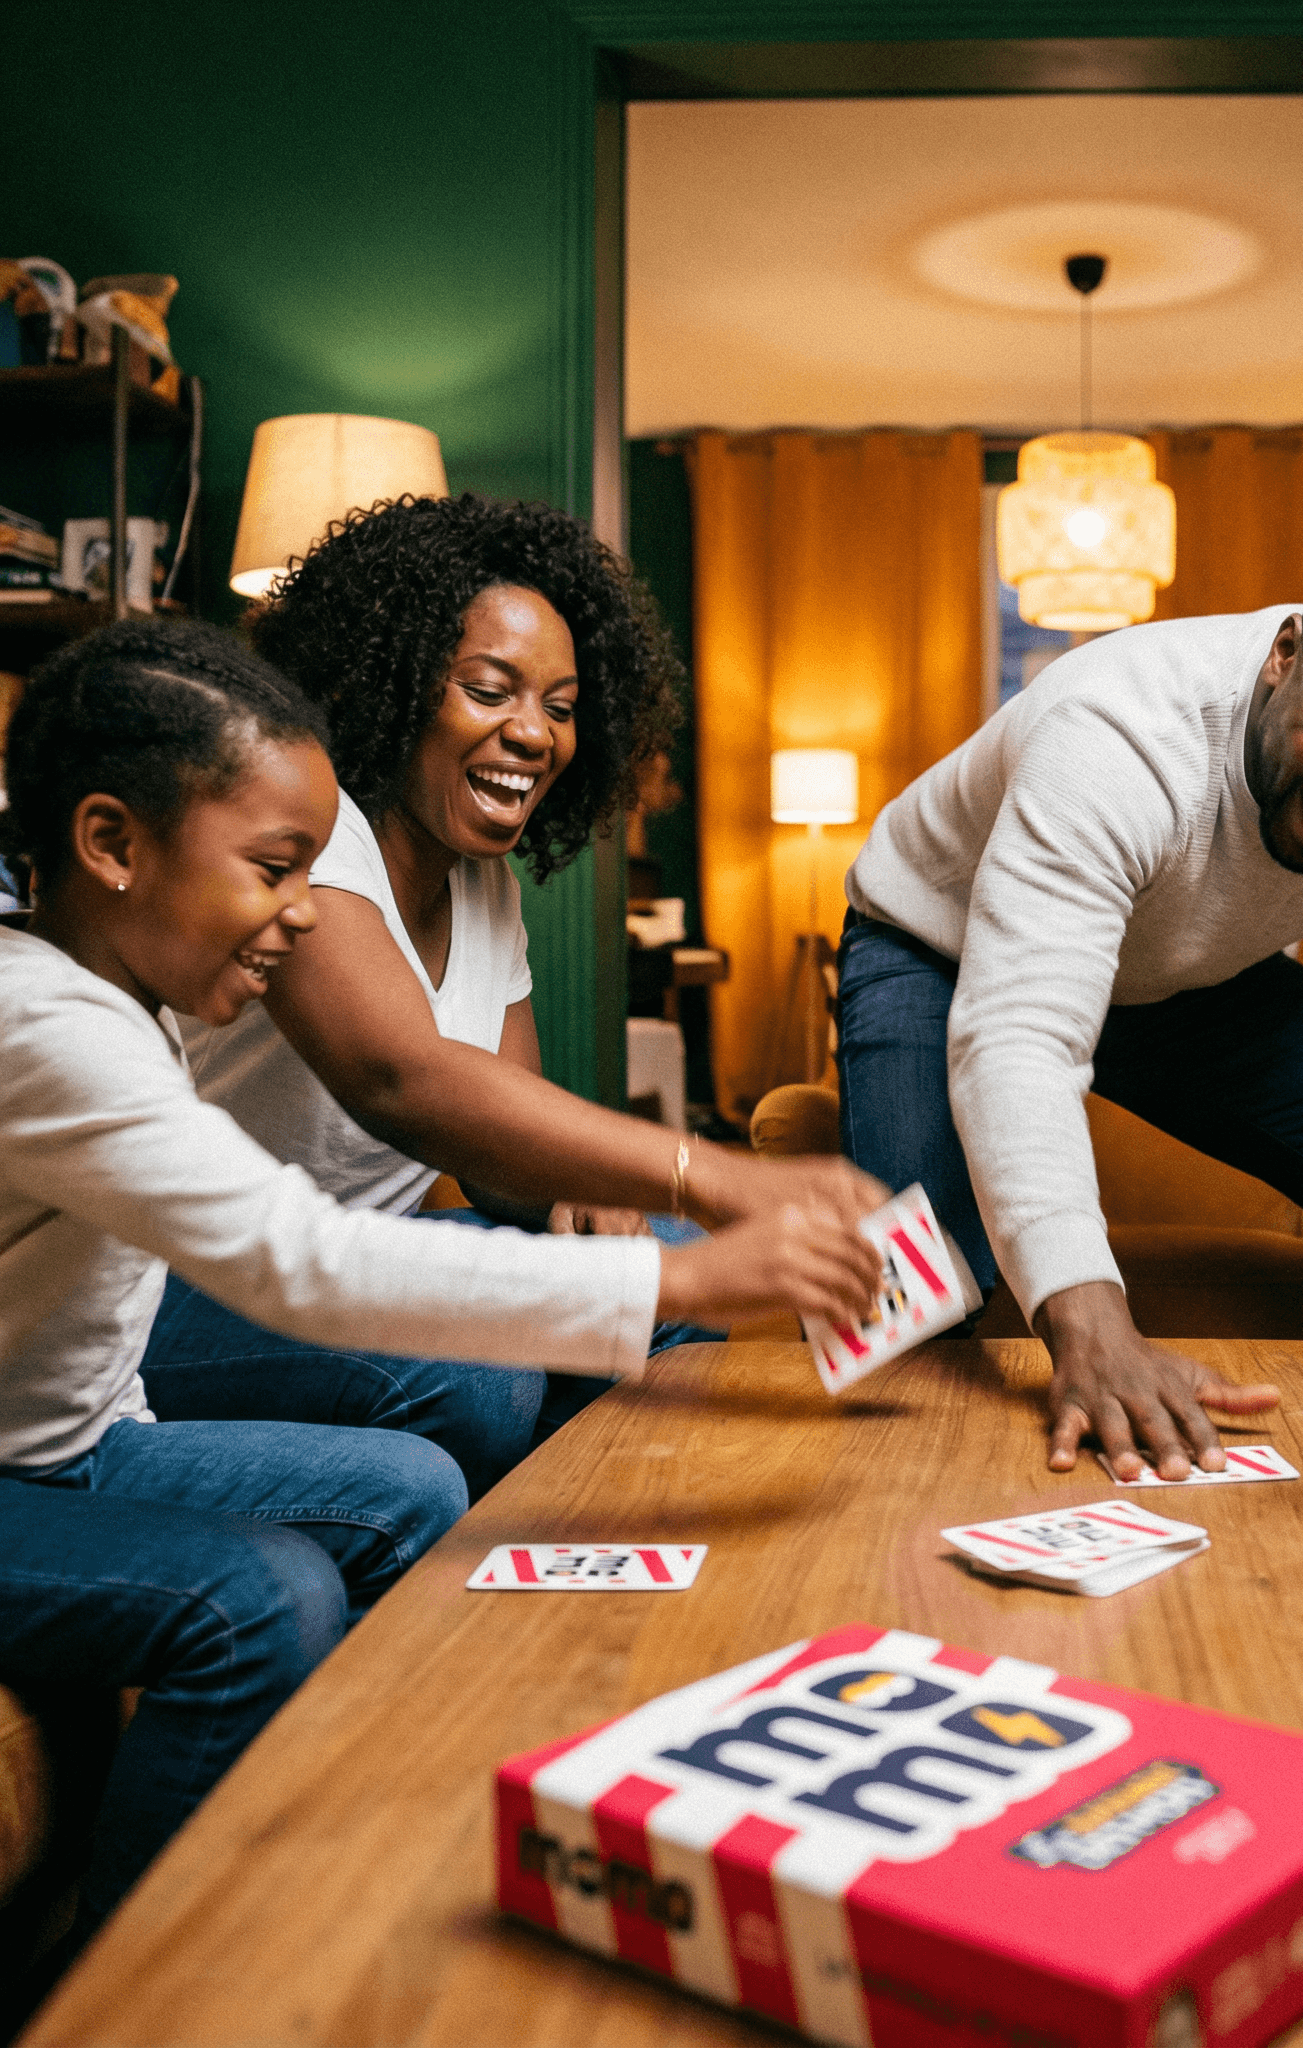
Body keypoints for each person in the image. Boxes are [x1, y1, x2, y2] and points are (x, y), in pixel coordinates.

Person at [0, 617, 882, 1953]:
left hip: (75, 1445)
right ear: (113, 847)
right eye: (275, 867)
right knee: (257, 1600)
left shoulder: (130, 993)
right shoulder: (42, 1025)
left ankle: (333, 1818)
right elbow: (298, 1259)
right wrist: (688, 1269)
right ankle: (135, 1971)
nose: (302, 909)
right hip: (23, 1475)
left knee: (408, 1488)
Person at [144, 497, 885, 1498]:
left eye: (564, 705)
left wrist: (574, 1190)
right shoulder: (311, 842)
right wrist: (698, 1170)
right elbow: (401, 1075)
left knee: (656, 1265)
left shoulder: (481, 884)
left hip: (351, 1260)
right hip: (182, 1284)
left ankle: (589, 1552)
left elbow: (500, 1156)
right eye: (490, 690)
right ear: (394, 686)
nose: (534, 733)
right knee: (486, 1364)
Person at [839, 538, 1303, 1483]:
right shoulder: (1118, 735)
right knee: (917, 1293)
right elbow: (1021, 1039)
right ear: (1285, 655)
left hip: (1174, 969)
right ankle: (890, 1519)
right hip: (936, 947)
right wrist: (1089, 1313)